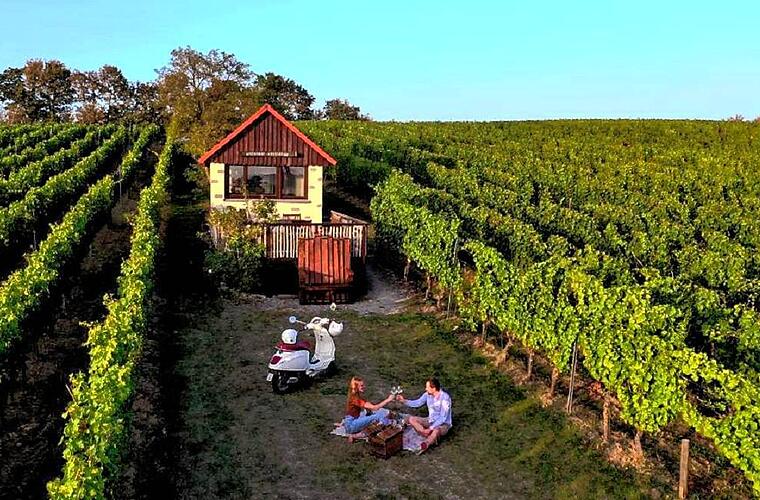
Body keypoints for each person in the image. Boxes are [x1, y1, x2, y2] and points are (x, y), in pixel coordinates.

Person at [397, 377, 452, 454]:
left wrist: (431, 428)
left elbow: (442, 418)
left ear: (434, 388)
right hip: (430, 420)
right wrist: (404, 401)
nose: (426, 389)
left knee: (436, 430)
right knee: (411, 419)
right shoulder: (427, 395)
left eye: (427, 387)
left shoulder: (445, 398)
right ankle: (425, 434)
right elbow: (417, 403)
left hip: (443, 424)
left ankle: (426, 443)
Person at [342, 376, 395, 442]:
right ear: (356, 387)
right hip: (351, 426)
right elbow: (375, 408)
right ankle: (354, 436)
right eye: (361, 386)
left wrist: (369, 413)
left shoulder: (355, 395)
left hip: (351, 421)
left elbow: (368, 405)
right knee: (378, 416)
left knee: (378, 415)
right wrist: (388, 400)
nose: (364, 387)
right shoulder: (355, 399)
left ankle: (384, 423)